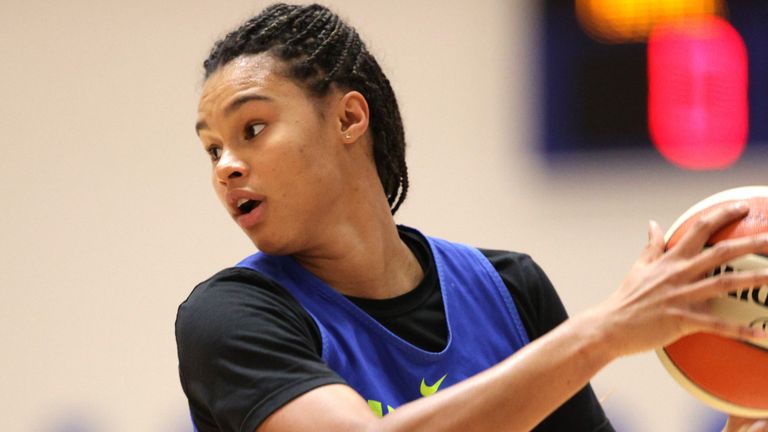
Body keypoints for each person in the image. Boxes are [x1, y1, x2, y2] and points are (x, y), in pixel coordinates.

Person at [175, 3, 768, 431]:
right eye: (212, 149)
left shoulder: (511, 291)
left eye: (253, 129)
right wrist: (605, 331)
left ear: (350, 119)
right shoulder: (229, 318)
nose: (226, 166)